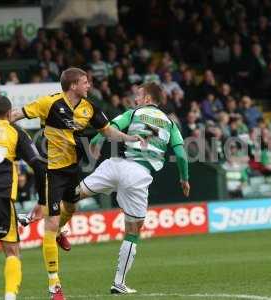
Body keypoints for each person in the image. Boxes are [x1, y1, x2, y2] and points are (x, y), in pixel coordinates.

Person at [10, 67, 143, 299]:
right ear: (73, 85)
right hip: (52, 172)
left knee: (72, 207)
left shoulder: (89, 107)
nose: (89, 85)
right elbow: (15, 115)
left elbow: (108, 130)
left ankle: (61, 229)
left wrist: (129, 137)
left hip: (73, 170)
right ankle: (55, 286)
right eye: (85, 82)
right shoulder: (48, 103)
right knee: (49, 227)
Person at [79, 82, 190, 294]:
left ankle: (33, 215)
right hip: (139, 175)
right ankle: (118, 283)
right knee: (132, 232)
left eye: (138, 96)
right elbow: (182, 156)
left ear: (148, 99)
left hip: (116, 164)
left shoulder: (133, 113)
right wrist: (184, 180)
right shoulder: (170, 124)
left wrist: (94, 141)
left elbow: (107, 127)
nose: (135, 100)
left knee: (75, 194)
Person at [0, 96, 45, 300]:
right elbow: (39, 166)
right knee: (12, 251)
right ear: (9, 113)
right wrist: (41, 202)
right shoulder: (15, 131)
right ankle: (9, 297)